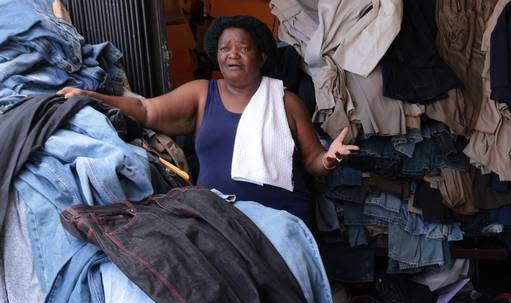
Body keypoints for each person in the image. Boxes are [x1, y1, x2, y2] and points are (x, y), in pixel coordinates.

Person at [58, 15, 357, 222]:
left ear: (262, 56)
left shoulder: (285, 100)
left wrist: (329, 159)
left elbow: (313, 161)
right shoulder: (202, 94)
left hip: (285, 221)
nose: (232, 55)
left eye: (243, 48)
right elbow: (146, 110)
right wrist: (93, 97)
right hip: (218, 221)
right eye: (225, 48)